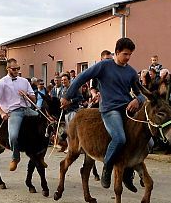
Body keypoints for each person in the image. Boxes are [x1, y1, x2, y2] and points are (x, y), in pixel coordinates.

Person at [62, 37, 145, 189]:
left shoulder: (131, 72)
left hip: (126, 109)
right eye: (125, 54)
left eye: (130, 55)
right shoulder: (104, 66)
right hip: (109, 110)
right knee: (119, 138)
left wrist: (138, 100)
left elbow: (141, 93)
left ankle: (128, 173)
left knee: (148, 141)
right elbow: (81, 77)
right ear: (117, 52)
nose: (128, 58)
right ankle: (107, 167)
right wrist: (68, 96)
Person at [0, 58, 40, 172]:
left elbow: (34, 98)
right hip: (14, 112)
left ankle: (39, 155)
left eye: (18, 68)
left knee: (43, 123)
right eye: (14, 69)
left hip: (27, 109)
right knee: (13, 136)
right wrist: (2, 113)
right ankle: (15, 157)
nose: (16, 71)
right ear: (8, 69)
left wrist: (27, 95)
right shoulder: (2, 82)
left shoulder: (24, 81)